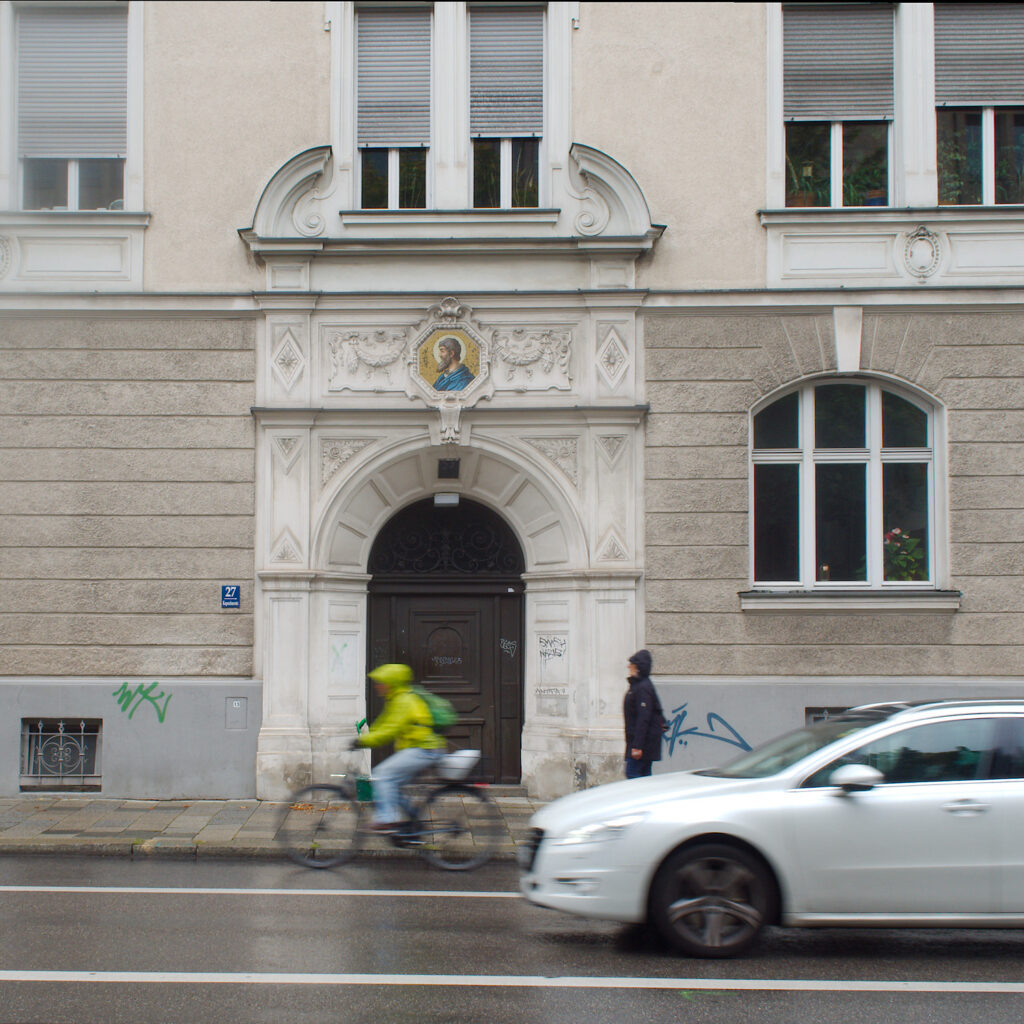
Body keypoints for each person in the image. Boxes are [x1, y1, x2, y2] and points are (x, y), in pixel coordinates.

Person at [350, 663, 446, 830]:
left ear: (391, 682)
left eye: (381, 682)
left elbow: (390, 730)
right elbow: (382, 724)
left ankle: (388, 818)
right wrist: (367, 737)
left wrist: (364, 741)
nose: (377, 686)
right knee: (392, 785)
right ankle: (414, 824)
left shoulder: (404, 701)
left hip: (424, 750)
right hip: (420, 749)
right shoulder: (395, 699)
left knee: (383, 774)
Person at [623, 649, 665, 779]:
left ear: (638, 667)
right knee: (644, 778)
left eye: (632, 664)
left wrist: (637, 746)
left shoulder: (642, 688)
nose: (628, 667)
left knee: (633, 774)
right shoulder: (640, 686)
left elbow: (643, 718)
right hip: (643, 745)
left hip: (642, 747)